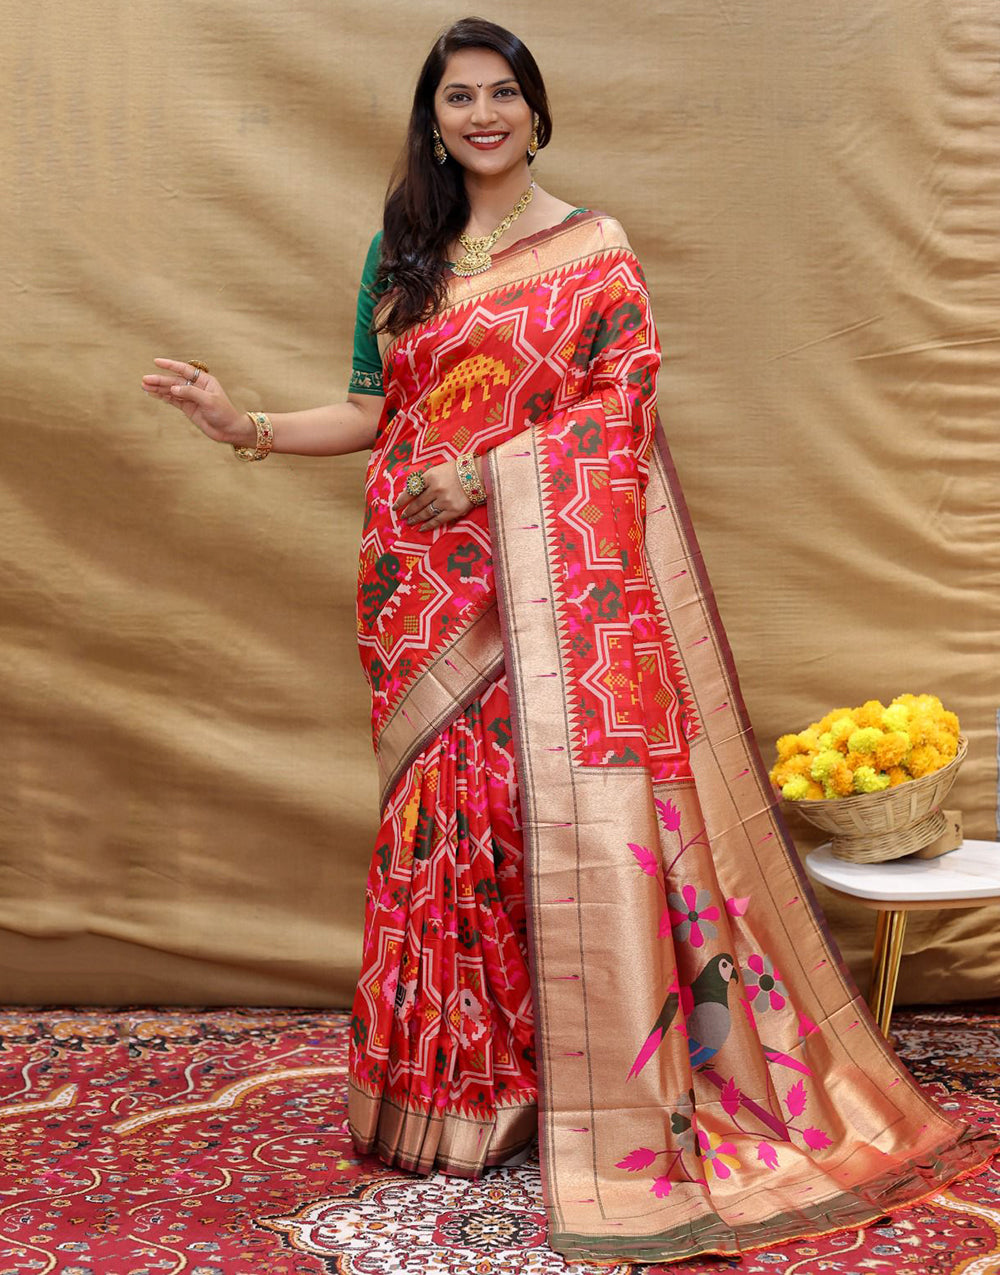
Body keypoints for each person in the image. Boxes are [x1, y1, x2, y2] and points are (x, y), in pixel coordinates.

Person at [142, 17, 999, 1265]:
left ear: (537, 113)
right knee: (445, 827)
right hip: (419, 588)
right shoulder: (405, 251)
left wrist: (488, 476)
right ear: (432, 121)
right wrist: (244, 424)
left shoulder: (594, 253)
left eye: (501, 95)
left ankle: (591, 1084)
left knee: (544, 815)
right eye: (456, 99)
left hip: (549, 584)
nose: (480, 115)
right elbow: (374, 414)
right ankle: (463, 1098)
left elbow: (620, 412)